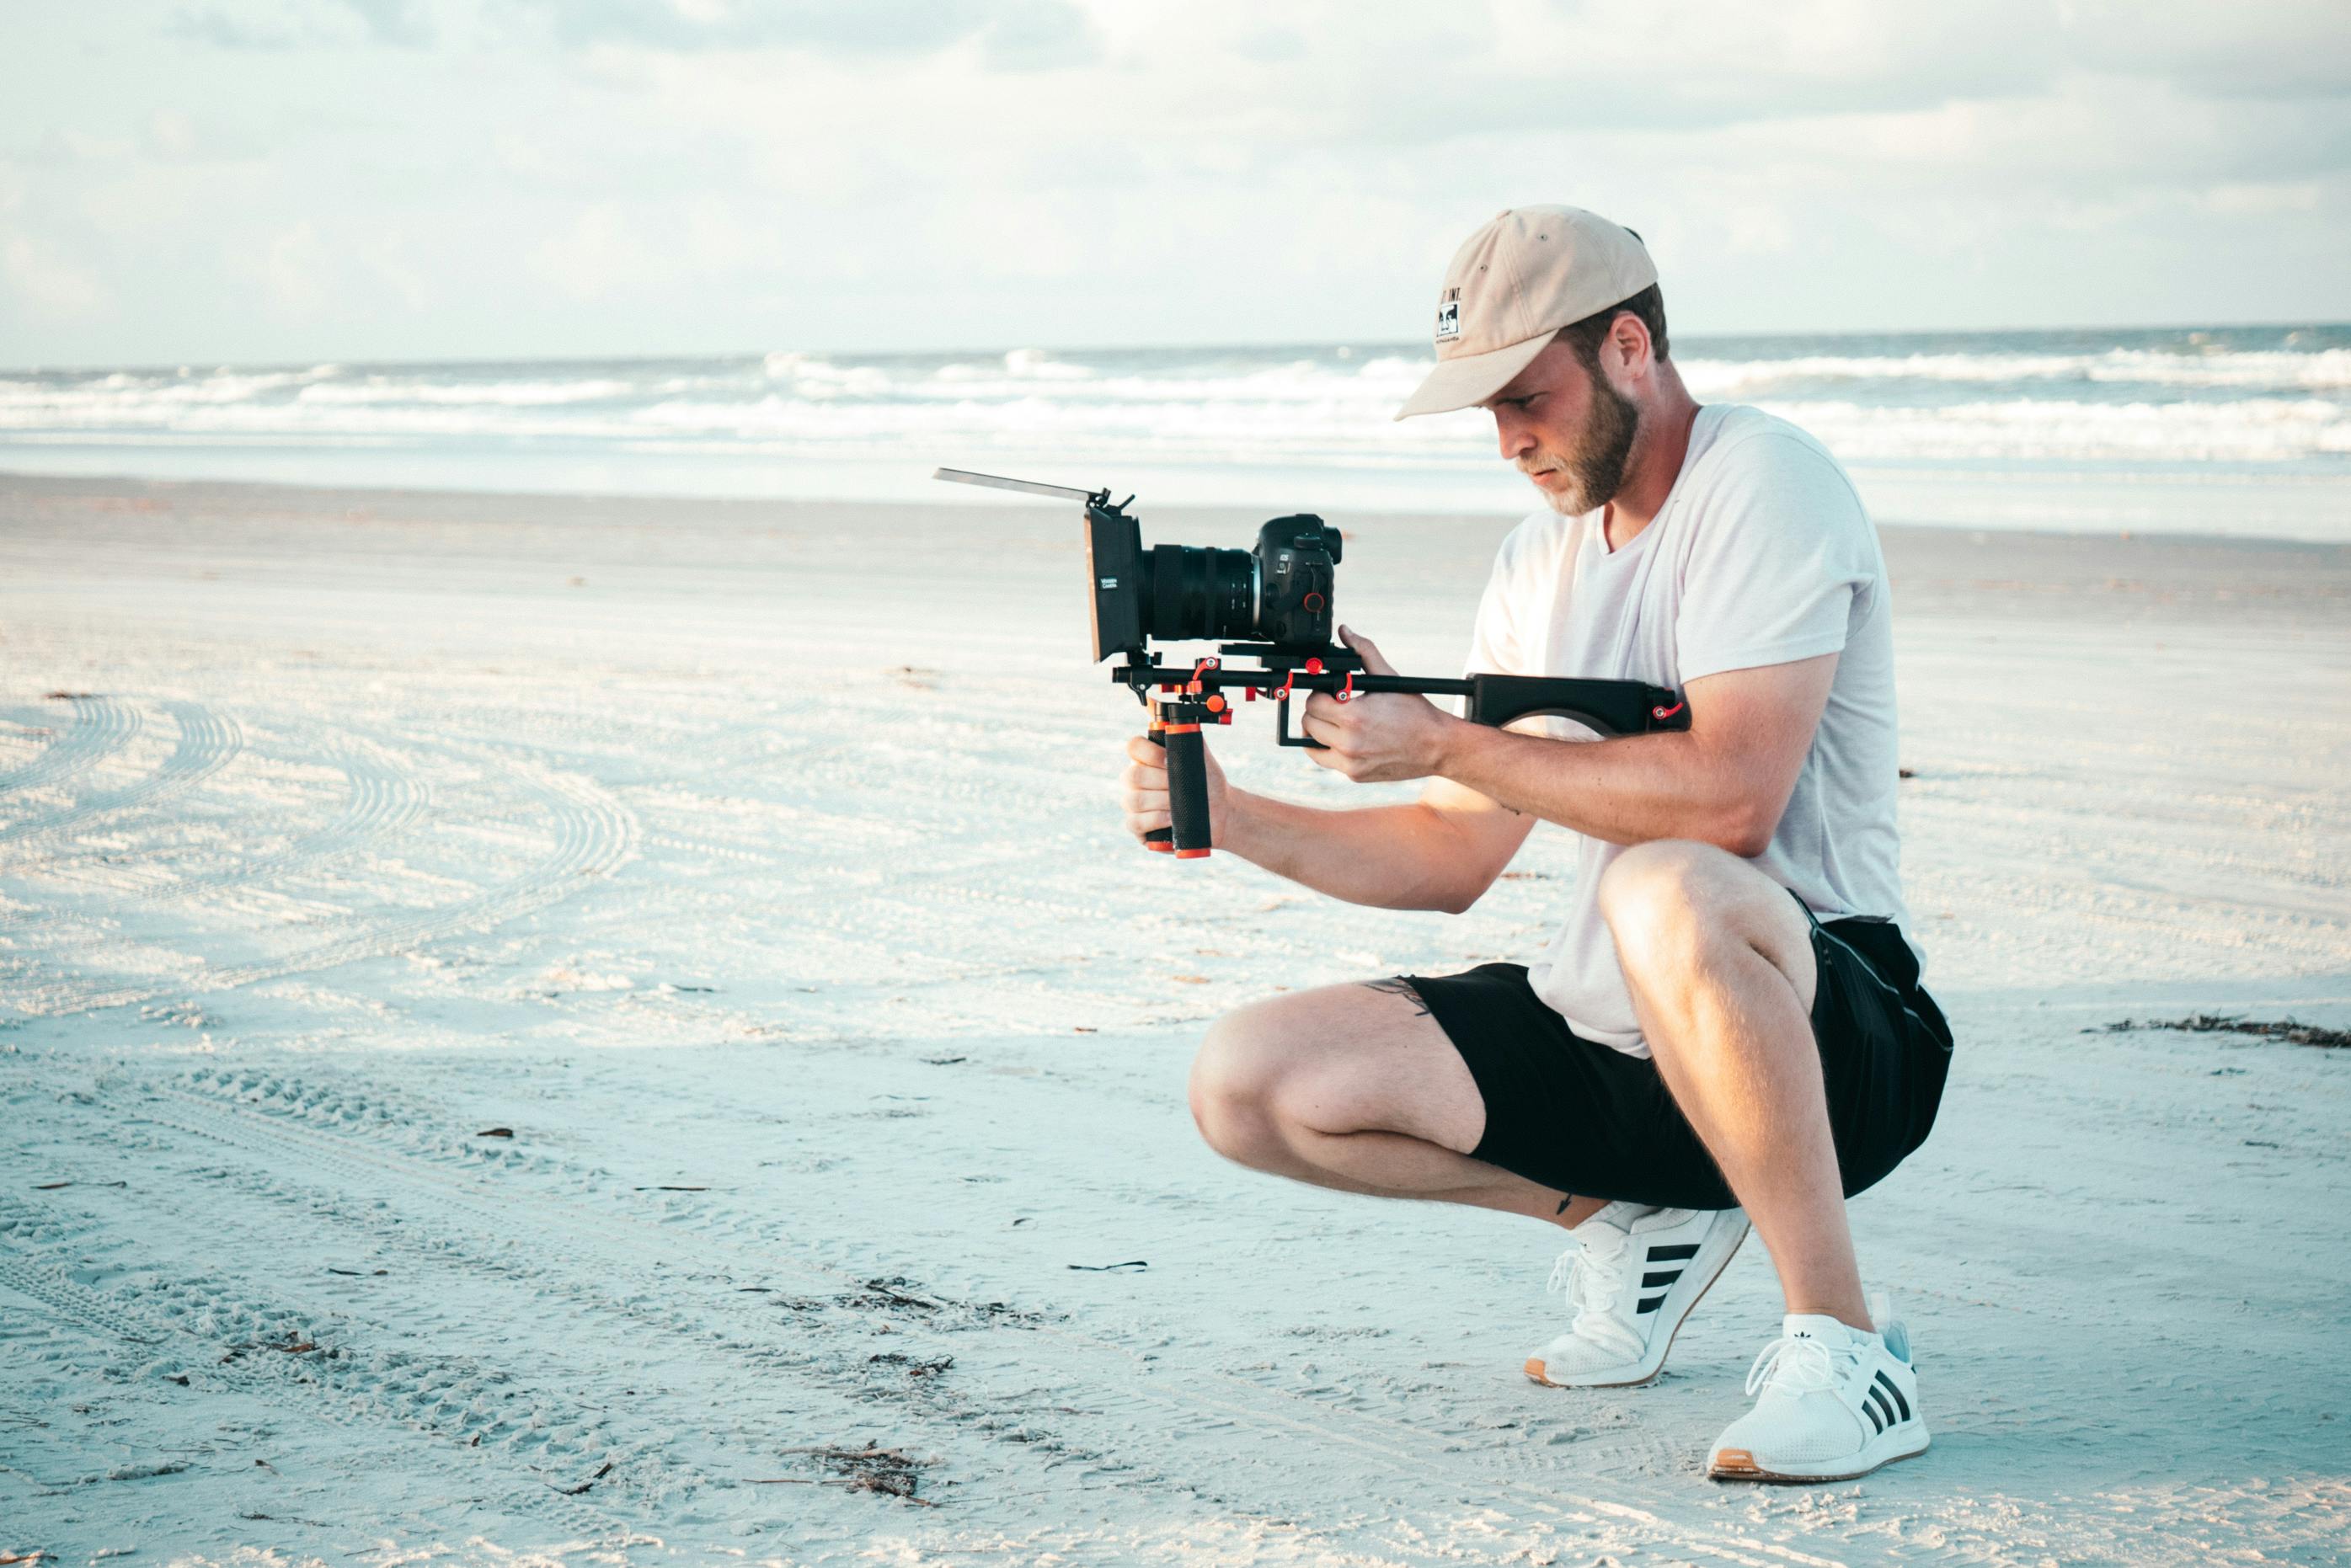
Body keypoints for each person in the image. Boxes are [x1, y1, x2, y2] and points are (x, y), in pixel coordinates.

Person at [1118, 205, 1953, 1483]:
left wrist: (1445, 739)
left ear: (1630, 346)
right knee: (1247, 1080)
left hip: (1833, 1030)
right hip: (1621, 1046)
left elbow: (1732, 801)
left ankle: (1848, 1349)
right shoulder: (1535, 559)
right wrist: (1235, 819)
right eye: (1487, 411)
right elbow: (1456, 858)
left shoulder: (1764, 484)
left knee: (1671, 885)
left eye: (1527, 396)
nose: (1509, 439)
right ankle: (1638, 1218)